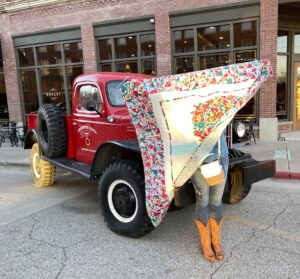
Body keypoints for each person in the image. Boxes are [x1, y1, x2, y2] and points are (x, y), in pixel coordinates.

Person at [191, 132, 229, 262]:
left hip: (220, 155)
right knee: (203, 201)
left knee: (216, 201)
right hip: (198, 158)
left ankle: (215, 242)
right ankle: (205, 243)